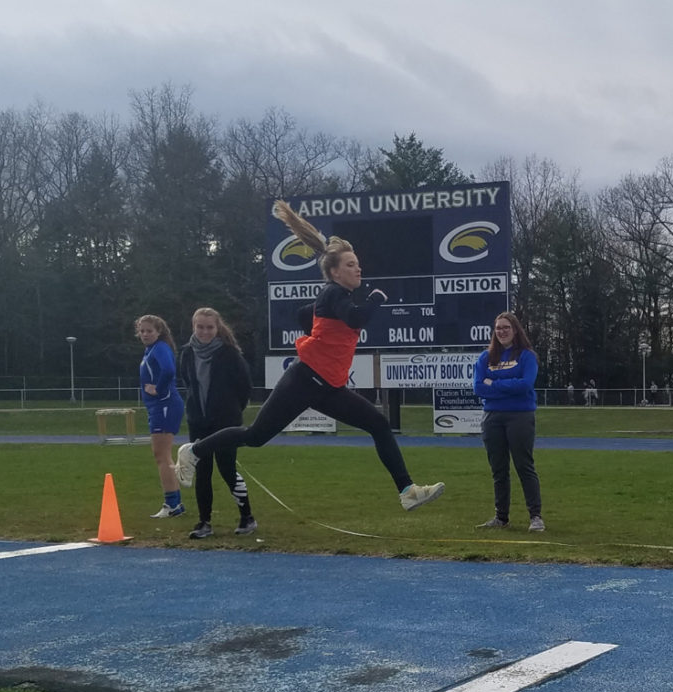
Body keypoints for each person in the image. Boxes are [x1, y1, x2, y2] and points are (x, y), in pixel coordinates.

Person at [175, 200, 444, 511]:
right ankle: (193, 451)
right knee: (255, 436)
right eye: (350, 265)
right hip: (304, 380)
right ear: (333, 272)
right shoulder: (334, 293)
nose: (358, 268)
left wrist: (318, 326)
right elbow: (356, 318)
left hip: (328, 386)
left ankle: (407, 492)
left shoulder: (332, 297)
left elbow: (306, 315)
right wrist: (376, 299)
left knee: (379, 425)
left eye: (358, 263)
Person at [177, 307, 258, 540]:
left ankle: (247, 517)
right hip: (198, 421)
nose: (204, 331)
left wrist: (232, 411)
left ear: (217, 328)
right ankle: (204, 522)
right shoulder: (187, 353)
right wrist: (195, 409)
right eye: (200, 327)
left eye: (209, 327)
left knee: (227, 468)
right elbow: (188, 382)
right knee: (202, 470)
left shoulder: (229, 353)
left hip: (225, 422)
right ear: (194, 327)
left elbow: (244, 386)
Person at [473, 311, 544, 533]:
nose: (502, 331)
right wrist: (505, 385)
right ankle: (501, 517)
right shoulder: (486, 357)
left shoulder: (526, 356)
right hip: (493, 417)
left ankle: (535, 517)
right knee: (498, 469)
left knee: (524, 466)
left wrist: (493, 384)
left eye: (506, 327)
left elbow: (525, 385)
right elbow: (478, 387)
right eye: (498, 328)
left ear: (515, 330)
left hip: (520, 416)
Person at [136, 314, 185, 519]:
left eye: (149, 331)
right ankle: (175, 503)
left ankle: (172, 504)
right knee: (162, 455)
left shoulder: (161, 348)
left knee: (161, 455)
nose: (145, 334)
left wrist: (159, 389)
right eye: (142, 331)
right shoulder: (151, 350)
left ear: (159, 332)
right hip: (158, 406)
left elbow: (169, 370)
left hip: (165, 404)